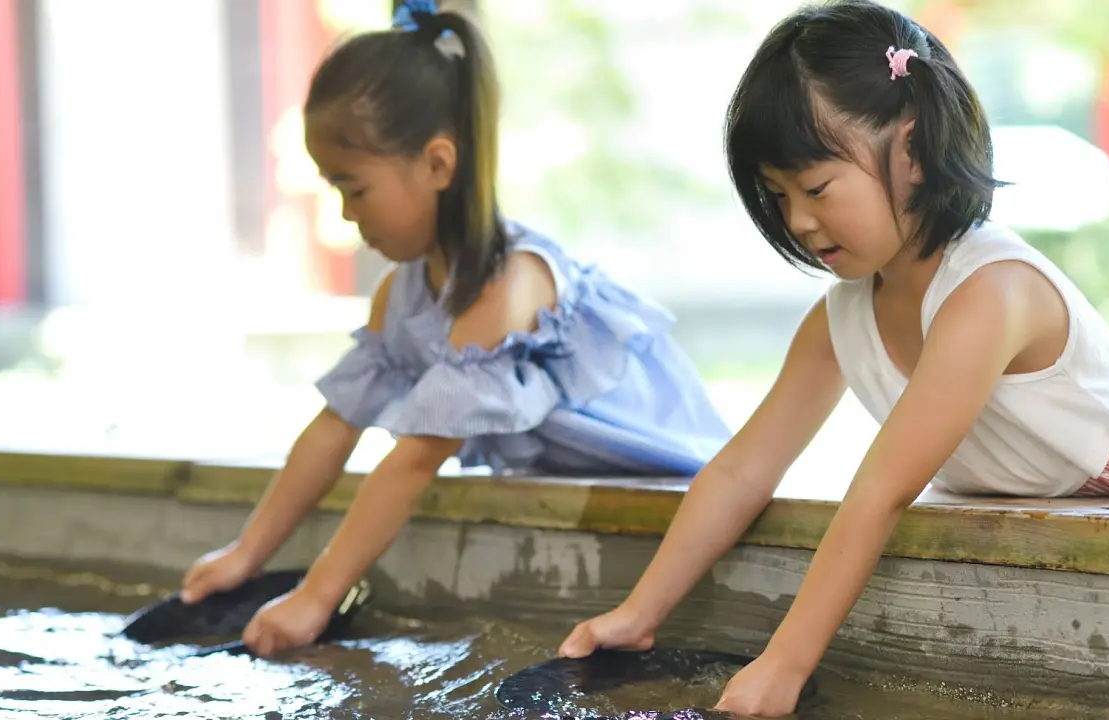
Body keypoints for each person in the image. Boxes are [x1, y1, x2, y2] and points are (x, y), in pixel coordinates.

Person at [557, 1, 1109, 715]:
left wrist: (784, 664)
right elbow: (741, 467)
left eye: (816, 187)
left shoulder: (991, 292)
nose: (797, 220)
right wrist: (638, 614)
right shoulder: (840, 317)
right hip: (1041, 554)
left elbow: (879, 493)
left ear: (910, 149)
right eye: (777, 195)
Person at [179, 0, 731, 657]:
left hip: (686, 478)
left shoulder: (511, 285)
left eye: (354, 188)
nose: (348, 214)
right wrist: (247, 553)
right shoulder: (401, 293)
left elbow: (413, 461)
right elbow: (334, 426)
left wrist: (316, 597)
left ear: (438, 164)